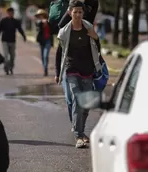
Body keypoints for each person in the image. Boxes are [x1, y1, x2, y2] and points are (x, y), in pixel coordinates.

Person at [57, 0, 101, 148]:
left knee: (86, 103)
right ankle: (79, 135)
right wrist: (58, 71)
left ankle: (80, 130)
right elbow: (60, 52)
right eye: (74, 12)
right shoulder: (65, 31)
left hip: (88, 70)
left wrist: (96, 37)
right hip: (72, 69)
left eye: (80, 12)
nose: (77, 15)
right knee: (77, 99)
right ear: (70, 13)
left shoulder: (88, 27)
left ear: (83, 13)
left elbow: (97, 48)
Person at [0, 7, 26, 75]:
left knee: (12, 56)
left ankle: (11, 67)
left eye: (12, 13)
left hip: (12, 41)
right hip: (4, 40)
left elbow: (20, 29)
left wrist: (24, 36)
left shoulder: (16, 21)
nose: (11, 14)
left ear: (13, 13)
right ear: (7, 13)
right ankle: (6, 68)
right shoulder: (3, 21)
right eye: (9, 13)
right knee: (6, 55)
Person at [35, 9, 54, 76]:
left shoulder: (49, 22)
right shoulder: (38, 22)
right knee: (42, 56)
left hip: (48, 40)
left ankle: (45, 69)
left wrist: (47, 22)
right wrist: (42, 22)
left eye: (41, 15)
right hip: (41, 41)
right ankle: (44, 67)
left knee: (45, 55)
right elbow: (38, 27)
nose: (40, 16)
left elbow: (53, 29)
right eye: (39, 15)